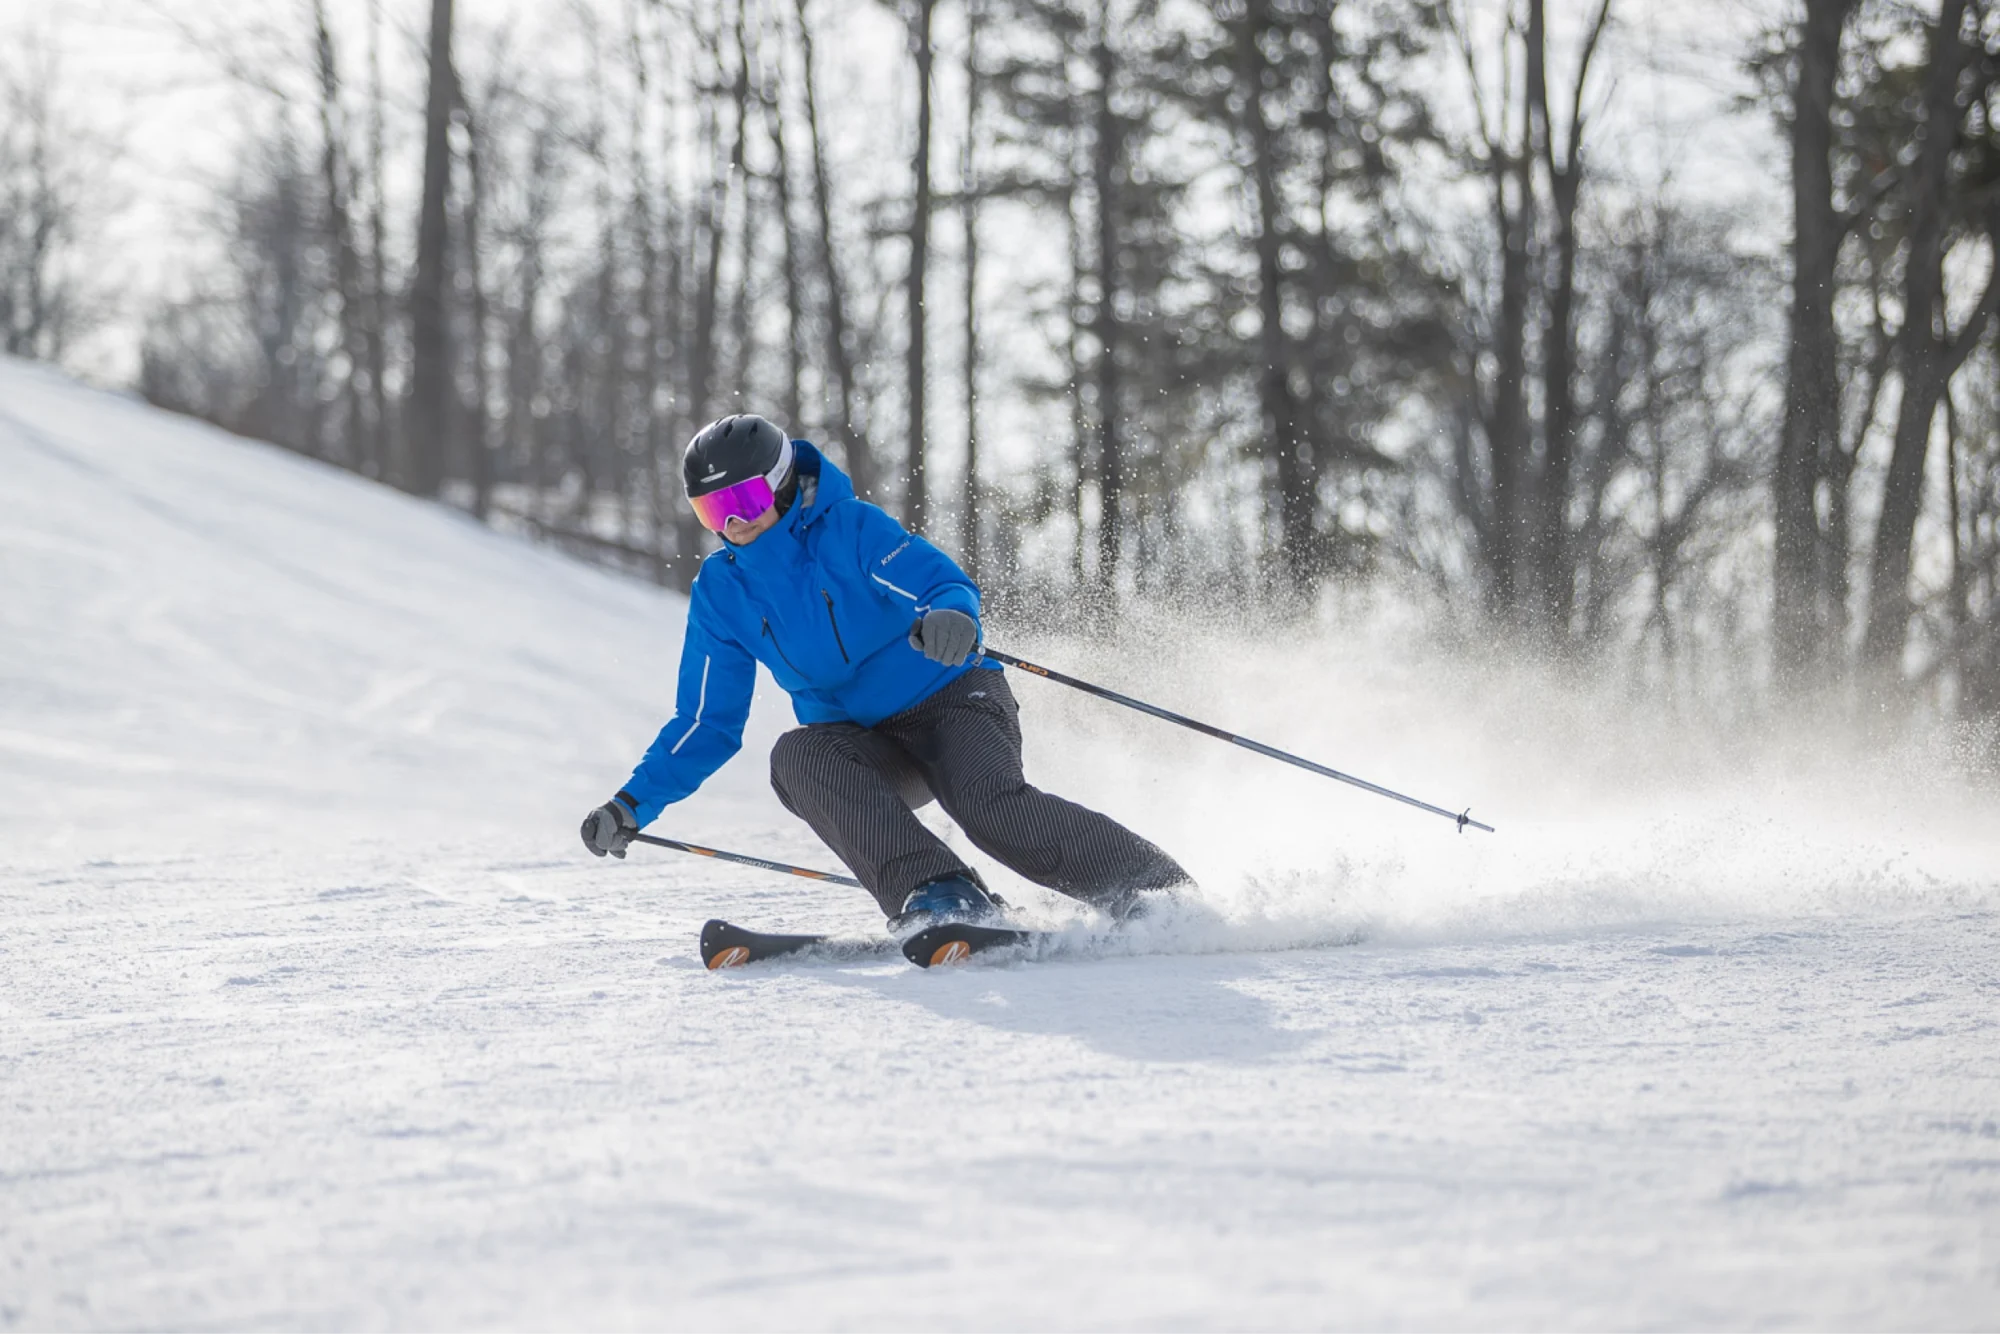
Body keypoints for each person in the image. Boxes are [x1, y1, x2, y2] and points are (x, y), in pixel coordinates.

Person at [580, 412, 1191, 932]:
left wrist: (952, 617)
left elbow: (939, 583)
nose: (732, 523)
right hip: (867, 744)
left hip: (952, 697)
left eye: (743, 501)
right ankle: (942, 894)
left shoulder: (848, 530)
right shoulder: (722, 591)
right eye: (712, 509)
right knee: (796, 759)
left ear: (781, 485)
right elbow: (707, 721)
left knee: (985, 804)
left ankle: (1160, 895)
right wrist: (634, 803)